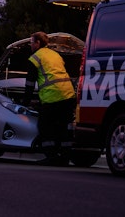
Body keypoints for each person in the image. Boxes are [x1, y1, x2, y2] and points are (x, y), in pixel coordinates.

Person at [22, 31, 76, 166]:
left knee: (45, 126)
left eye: (31, 42)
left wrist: (25, 103)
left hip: (53, 97)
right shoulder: (56, 55)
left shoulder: (35, 58)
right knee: (64, 127)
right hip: (68, 95)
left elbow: (29, 84)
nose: (30, 45)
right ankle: (64, 157)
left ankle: (51, 156)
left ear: (38, 43)